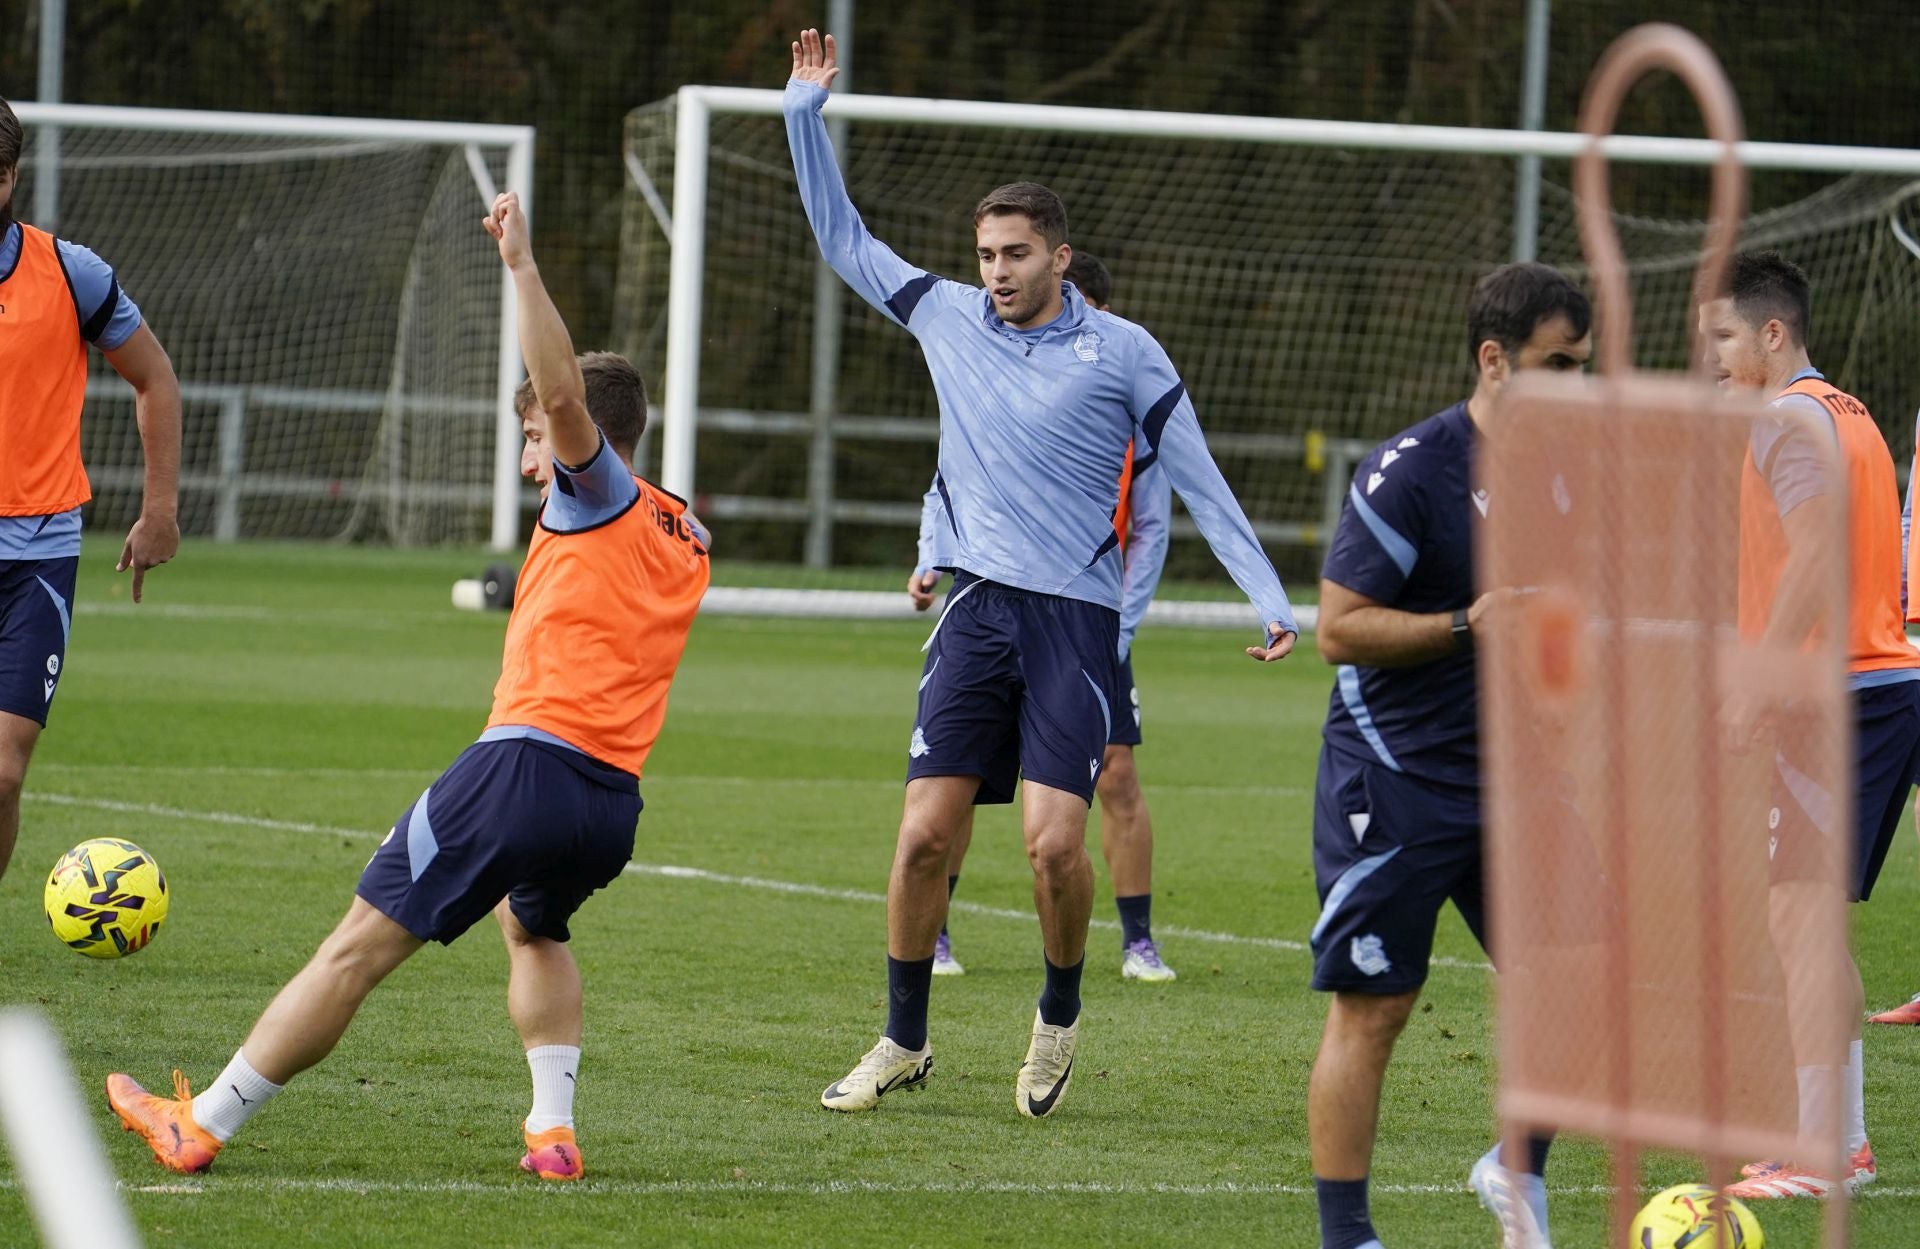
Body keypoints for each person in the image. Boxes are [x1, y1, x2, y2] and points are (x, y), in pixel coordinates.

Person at [105, 191, 712, 1181]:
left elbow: (561, 401)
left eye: (532, 441)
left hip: (523, 767)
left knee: (353, 950)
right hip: (611, 802)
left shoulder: (592, 486)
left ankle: (201, 1121)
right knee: (532, 923)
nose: (529, 460)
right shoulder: (686, 531)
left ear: (583, 440)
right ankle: (551, 1130)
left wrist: (521, 263)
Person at [786, 29, 1297, 1120]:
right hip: (975, 608)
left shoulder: (1125, 352)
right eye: (985, 255)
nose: (997, 273)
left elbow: (1199, 480)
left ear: (1060, 256)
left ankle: (1058, 1012)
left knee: (1056, 845)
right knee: (925, 833)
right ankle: (902, 1038)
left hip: (1076, 620)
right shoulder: (944, 317)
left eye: (1016, 254)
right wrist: (802, 114)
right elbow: (843, 238)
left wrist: (1268, 596)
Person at [1306, 262, 1591, 1249]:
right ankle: (1349, 1236)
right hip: (1399, 780)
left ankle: (1516, 1170)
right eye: (1559, 365)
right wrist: (1467, 625)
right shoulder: (1413, 471)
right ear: (1494, 359)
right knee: (1375, 1008)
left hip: (1525, 780)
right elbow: (1338, 629)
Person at [1700, 251, 1918, 1200]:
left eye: (1723, 336)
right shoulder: (1851, 410)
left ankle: (1829, 1151)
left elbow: (1815, 554)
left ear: (1773, 333)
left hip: (1840, 694)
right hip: (1873, 685)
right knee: (1806, 919)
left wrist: (1756, 680)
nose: (1710, 355)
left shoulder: (1786, 418)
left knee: (1795, 919)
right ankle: (1839, 1143)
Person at [909, 252, 1177, 984]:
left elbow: (1152, 527)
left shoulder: (1129, 398)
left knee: (1118, 775)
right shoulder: (1004, 390)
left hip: (1089, 618)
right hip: (998, 607)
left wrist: (1121, 621)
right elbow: (947, 481)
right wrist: (932, 555)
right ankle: (935, 933)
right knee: (955, 779)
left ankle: (1138, 940)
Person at [0, 97, 181, 883]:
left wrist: (161, 509)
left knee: (3, 770)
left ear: (5, 180)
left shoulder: (71, 272)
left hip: (39, 551)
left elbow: (155, 378)